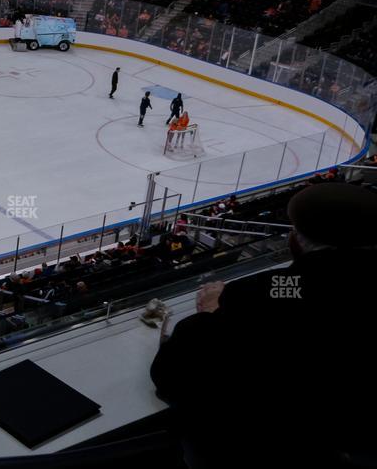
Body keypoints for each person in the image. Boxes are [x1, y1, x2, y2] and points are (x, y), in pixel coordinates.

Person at [151, 183, 377, 468]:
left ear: (295, 242)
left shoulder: (277, 289)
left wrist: (211, 312)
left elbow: (173, 372)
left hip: (276, 450)